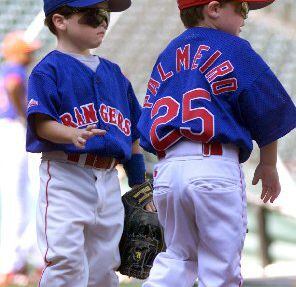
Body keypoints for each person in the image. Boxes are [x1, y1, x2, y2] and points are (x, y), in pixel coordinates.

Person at [137, 0, 296, 286]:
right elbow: (269, 109)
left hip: (168, 170)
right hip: (213, 168)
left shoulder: (167, 54)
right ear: (213, 9)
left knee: (176, 259)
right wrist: (269, 163)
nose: (245, 17)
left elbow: (146, 124)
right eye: (242, 9)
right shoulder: (235, 48)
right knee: (220, 268)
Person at [26, 0, 153, 286]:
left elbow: (132, 134)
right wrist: (70, 134)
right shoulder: (49, 70)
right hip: (66, 174)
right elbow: (40, 122)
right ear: (60, 21)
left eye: (106, 15)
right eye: (94, 15)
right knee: (66, 260)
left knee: (105, 264)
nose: (103, 23)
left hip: (108, 178)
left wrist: (139, 183)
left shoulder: (114, 73)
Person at [0, 31, 40, 286]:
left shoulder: (5, 69)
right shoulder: (13, 68)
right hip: (11, 129)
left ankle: (18, 262)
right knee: (18, 197)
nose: (31, 54)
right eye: (27, 50)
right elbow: (14, 86)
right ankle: (10, 265)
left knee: (20, 196)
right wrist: (24, 114)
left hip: (7, 131)